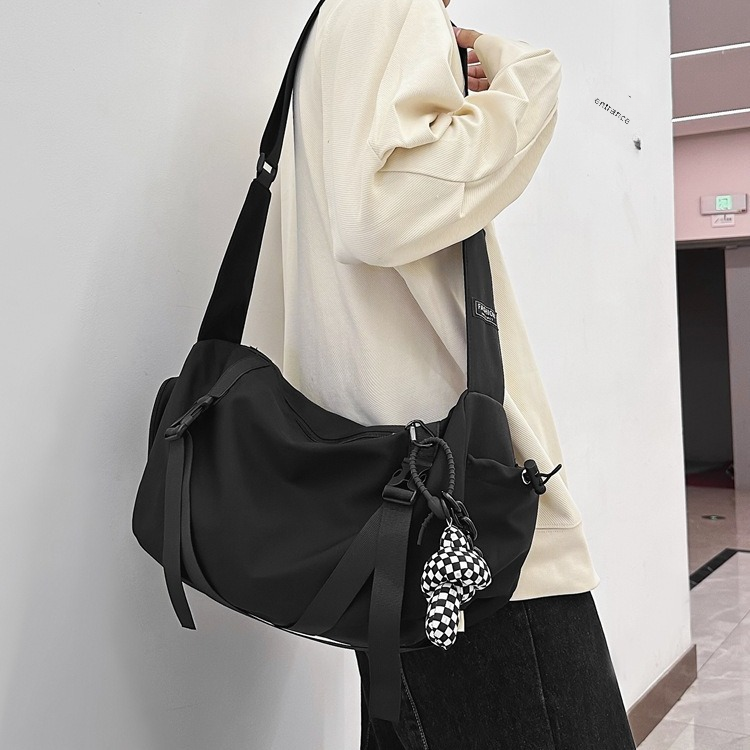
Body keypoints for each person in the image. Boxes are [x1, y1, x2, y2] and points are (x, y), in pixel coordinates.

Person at [269, 0, 638, 746]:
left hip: (391, 512)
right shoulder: (390, 6)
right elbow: (381, 212)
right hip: (468, 526)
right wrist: (526, 76)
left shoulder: (333, 28)